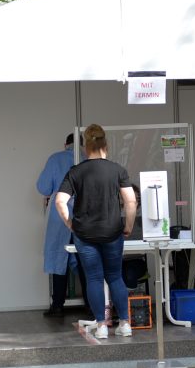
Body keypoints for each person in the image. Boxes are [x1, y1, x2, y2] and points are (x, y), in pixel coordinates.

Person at [56, 124, 136, 339]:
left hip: (85, 234)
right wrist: (128, 226)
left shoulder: (75, 172)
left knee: (93, 278)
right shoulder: (117, 170)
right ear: (105, 145)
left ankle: (101, 326)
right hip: (112, 232)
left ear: (86, 147)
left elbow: (60, 201)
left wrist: (70, 223)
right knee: (115, 277)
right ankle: (125, 324)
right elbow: (130, 200)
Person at [36, 133, 91, 319]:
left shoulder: (55, 159)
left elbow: (43, 188)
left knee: (60, 261)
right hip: (86, 218)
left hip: (61, 217)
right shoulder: (89, 160)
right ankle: (91, 306)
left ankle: (57, 305)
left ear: (65, 144)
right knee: (87, 262)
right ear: (84, 145)